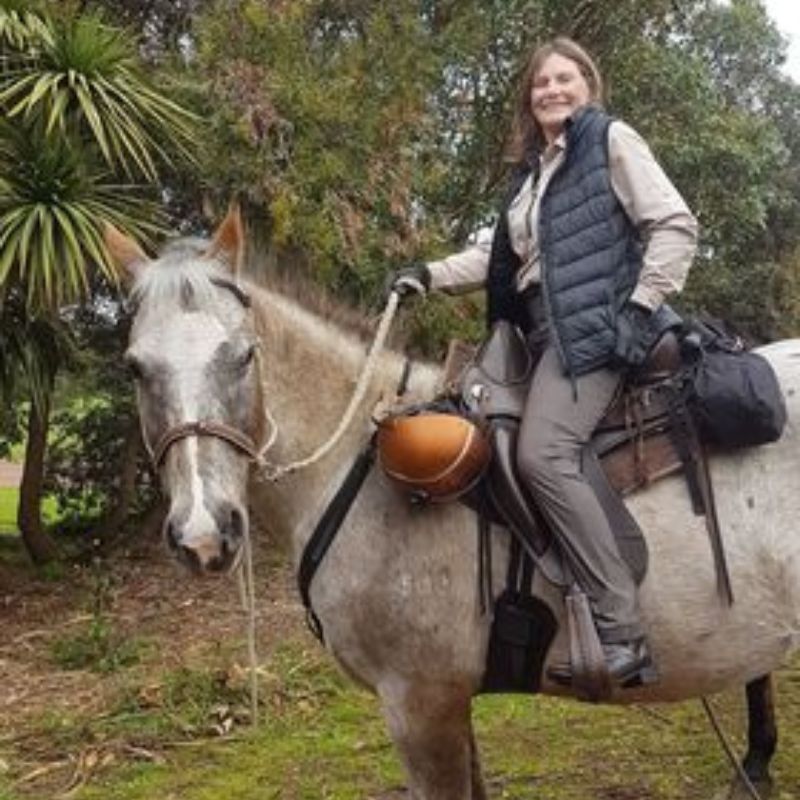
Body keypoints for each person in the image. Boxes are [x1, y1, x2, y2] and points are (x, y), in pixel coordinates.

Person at [389, 37, 698, 686]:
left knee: (543, 453)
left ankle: (622, 628)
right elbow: (494, 256)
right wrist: (426, 273)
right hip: (538, 336)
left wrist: (638, 311)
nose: (552, 90)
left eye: (565, 78)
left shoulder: (609, 139)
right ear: (529, 100)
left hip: (594, 334)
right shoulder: (531, 175)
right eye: (541, 83)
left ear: (588, 84)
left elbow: (674, 224)